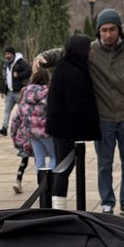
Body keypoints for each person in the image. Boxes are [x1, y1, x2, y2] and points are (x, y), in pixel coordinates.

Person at [38, 10, 124, 217]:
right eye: (103, 30)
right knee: (104, 164)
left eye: (112, 29)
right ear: (98, 32)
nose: (108, 34)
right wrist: (42, 57)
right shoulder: (91, 50)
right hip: (104, 118)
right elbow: (63, 53)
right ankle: (107, 203)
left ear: (119, 30)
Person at [45, 34, 101, 210]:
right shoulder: (73, 71)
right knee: (64, 167)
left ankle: (57, 204)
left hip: (60, 127)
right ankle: (58, 206)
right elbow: (76, 104)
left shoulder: (65, 66)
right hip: (66, 130)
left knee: (63, 166)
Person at [12, 67, 54, 196]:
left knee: (39, 159)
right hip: (46, 131)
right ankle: (50, 183)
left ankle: (42, 186)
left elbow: (18, 113)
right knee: (55, 157)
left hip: (30, 131)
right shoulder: (49, 92)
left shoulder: (26, 92)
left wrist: (15, 133)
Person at [0, 47, 31, 136]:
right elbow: (5, 77)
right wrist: (3, 89)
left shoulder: (21, 62)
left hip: (19, 92)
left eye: (8, 54)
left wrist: (19, 75)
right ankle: (4, 128)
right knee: (6, 111)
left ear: (13, 54)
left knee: (23, 110)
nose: (7, 56)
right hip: (10, 92)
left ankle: (26, 127)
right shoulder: (6, 64)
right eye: (5, 54)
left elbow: (29, 70)